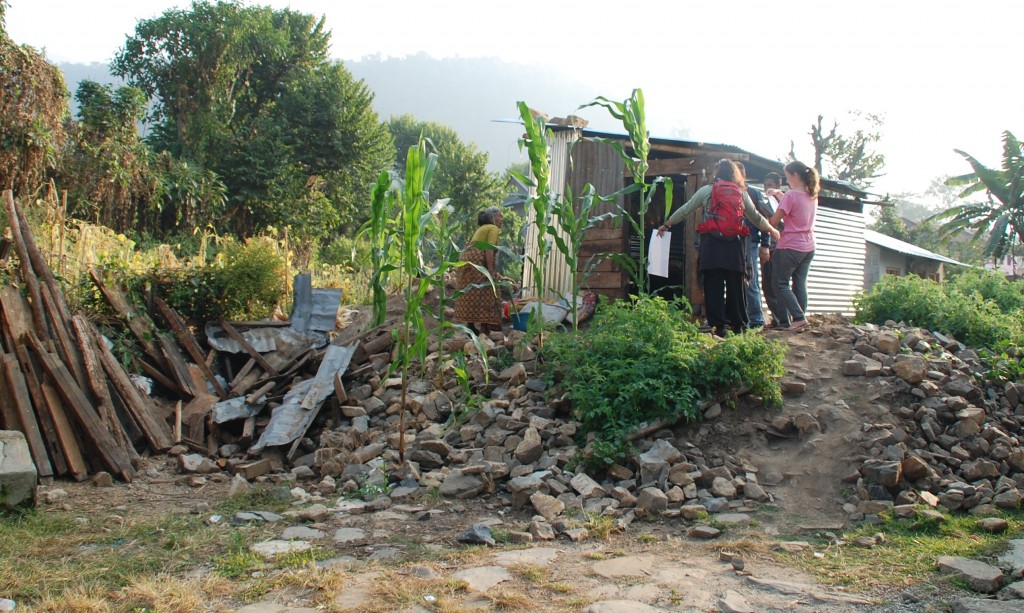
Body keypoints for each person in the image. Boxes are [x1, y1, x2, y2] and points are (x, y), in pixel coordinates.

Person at [657, 159, 780, 336]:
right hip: (734, 245)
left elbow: (686, 209)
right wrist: (772, 230)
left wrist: (666, 225)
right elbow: (756, 217)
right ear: (734, 174)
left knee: (713, 286)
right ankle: (738, 326)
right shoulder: (741, 193)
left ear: (717, 173)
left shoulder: (707, 191)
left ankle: (719, 327)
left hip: (712, 244)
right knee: (735, 286)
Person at [768, 161, 819, 332]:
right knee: (799, 284)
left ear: (795, 175)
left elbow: (774, 221)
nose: (787, 180)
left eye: (788, 177)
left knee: (780, 284)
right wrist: (777, 193)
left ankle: (797, 317)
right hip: (809, 246)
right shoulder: (811, 195)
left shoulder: (791, 195)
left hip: (790, 246)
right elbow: (794, 205)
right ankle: (800, 321)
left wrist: (764, 222)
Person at [454, 206, 504, 334]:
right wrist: (491, 270)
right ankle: (483, 327)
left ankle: (470, 325)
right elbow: (488, 248)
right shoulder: (493, 228)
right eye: (500, 216)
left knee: (471, 291)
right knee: (488, 290)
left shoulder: (481, 228)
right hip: (477, 261)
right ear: (492, 218)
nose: (501, 219)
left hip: (466, 259)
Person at [736, 162, 773, 328]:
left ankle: (757, 319)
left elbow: (763, 219)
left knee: (750, 280)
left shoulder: (753, 193)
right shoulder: (726, 191)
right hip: (732, 241)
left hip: (750, 241)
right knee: (735, 280)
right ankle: (740, 318)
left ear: (743, 174)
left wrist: (765, 244)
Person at [760, 172, 786, 328]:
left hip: (776, 247)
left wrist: (765, 246)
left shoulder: (781, 203)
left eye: (770, 185)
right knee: (767, 284)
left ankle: (782, 319)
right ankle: (778, 319)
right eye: (765, 185)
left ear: (778, 185)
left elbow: (771, 224)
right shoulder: (765, 201)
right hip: (770, 246)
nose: (766, 188)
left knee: (776, 285)